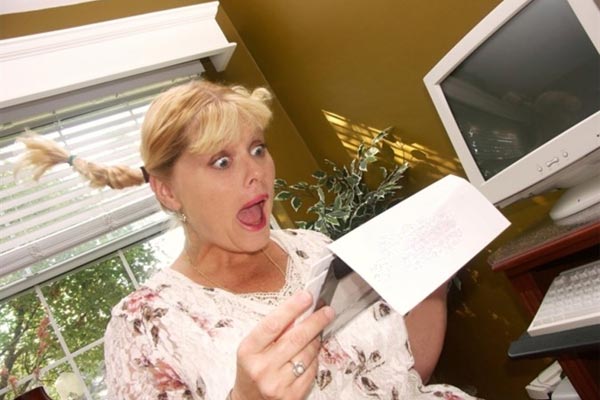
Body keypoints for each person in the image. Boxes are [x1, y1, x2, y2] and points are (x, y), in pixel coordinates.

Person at [16, 80, 481, 399]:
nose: (256, 171)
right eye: (221, 161)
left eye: (258, 149)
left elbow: (400, 377)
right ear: (168, 191)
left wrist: (433, 286)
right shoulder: (144, 327)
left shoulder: (312, 246)